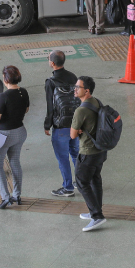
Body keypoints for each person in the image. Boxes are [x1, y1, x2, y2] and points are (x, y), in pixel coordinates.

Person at [71, 76, 108, 231]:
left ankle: (97, 215)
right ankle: (96, 209)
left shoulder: (81, 110)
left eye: (78, 87)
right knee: (95, 179)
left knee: (81, 182)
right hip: (100, 150)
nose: (75, 89)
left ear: (86, 91)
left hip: (88, 152)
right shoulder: (96, 102)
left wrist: (78, 130)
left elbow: (72, 134)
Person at [0, 65, 29, 209]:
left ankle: (5, 197)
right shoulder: (23, 92)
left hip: (4, 135)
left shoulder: (3, 96)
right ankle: (17, 195)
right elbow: (26, 109)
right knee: (14, 161)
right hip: (20, 132)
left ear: (5, 79)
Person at [44, 50, 80, 197]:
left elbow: (50, 106)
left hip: (60, 126)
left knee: (63, 157)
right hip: (75, 124)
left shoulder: (50, 82)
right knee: (76, 154)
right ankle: (81, 182)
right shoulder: (73, 77)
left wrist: (47, 125)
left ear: (52, 63)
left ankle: (68, 187)